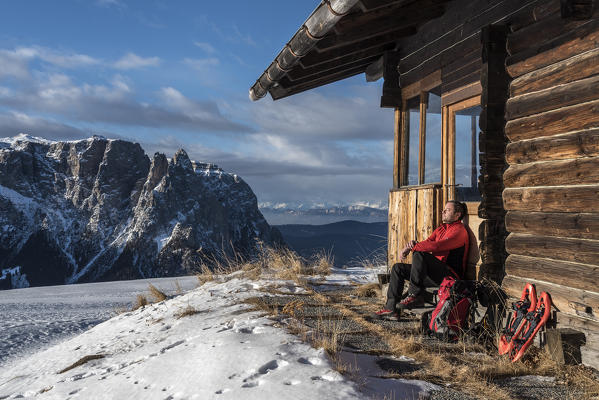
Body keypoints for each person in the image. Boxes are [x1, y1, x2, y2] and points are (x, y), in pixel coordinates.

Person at [376, 200, 469, 318]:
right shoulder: (441, 229)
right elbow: (428, 243)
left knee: (420, 254)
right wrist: (411, 245)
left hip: (450, 277)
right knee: (398, 268)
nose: (443, 212)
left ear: (457, 215)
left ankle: (415, 295)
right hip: (435, 274)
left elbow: (438, 246)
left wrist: (413, 248)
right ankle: (391, 309)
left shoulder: (459, 231)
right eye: (443, 210)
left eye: (448, 210)